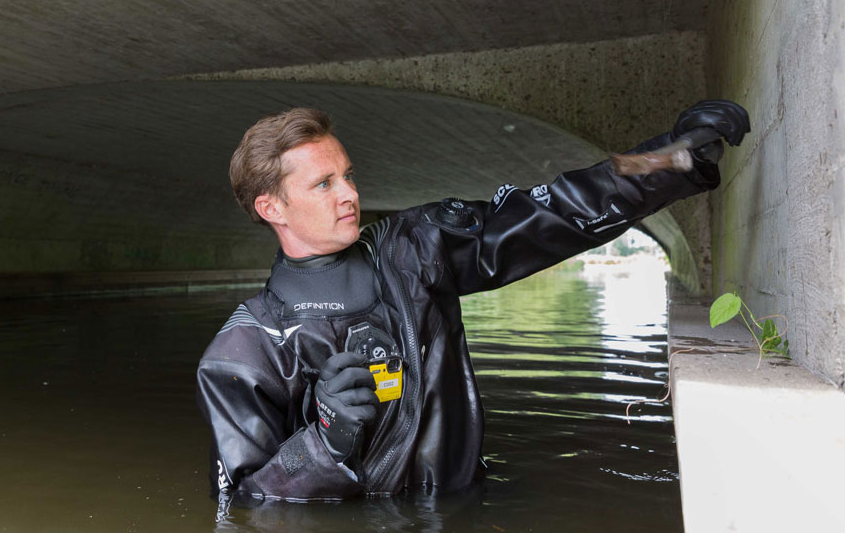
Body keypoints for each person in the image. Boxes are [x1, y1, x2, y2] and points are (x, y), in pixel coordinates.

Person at [196, 101, 750, 501]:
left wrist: (669, 159)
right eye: (324, 184)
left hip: (464, 512)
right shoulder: (241, 354)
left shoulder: (416, 250)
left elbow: (551, 213)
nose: (350, 194)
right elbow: (248, 503)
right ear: (272, 208)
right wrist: (326, 440)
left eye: (348, 175)